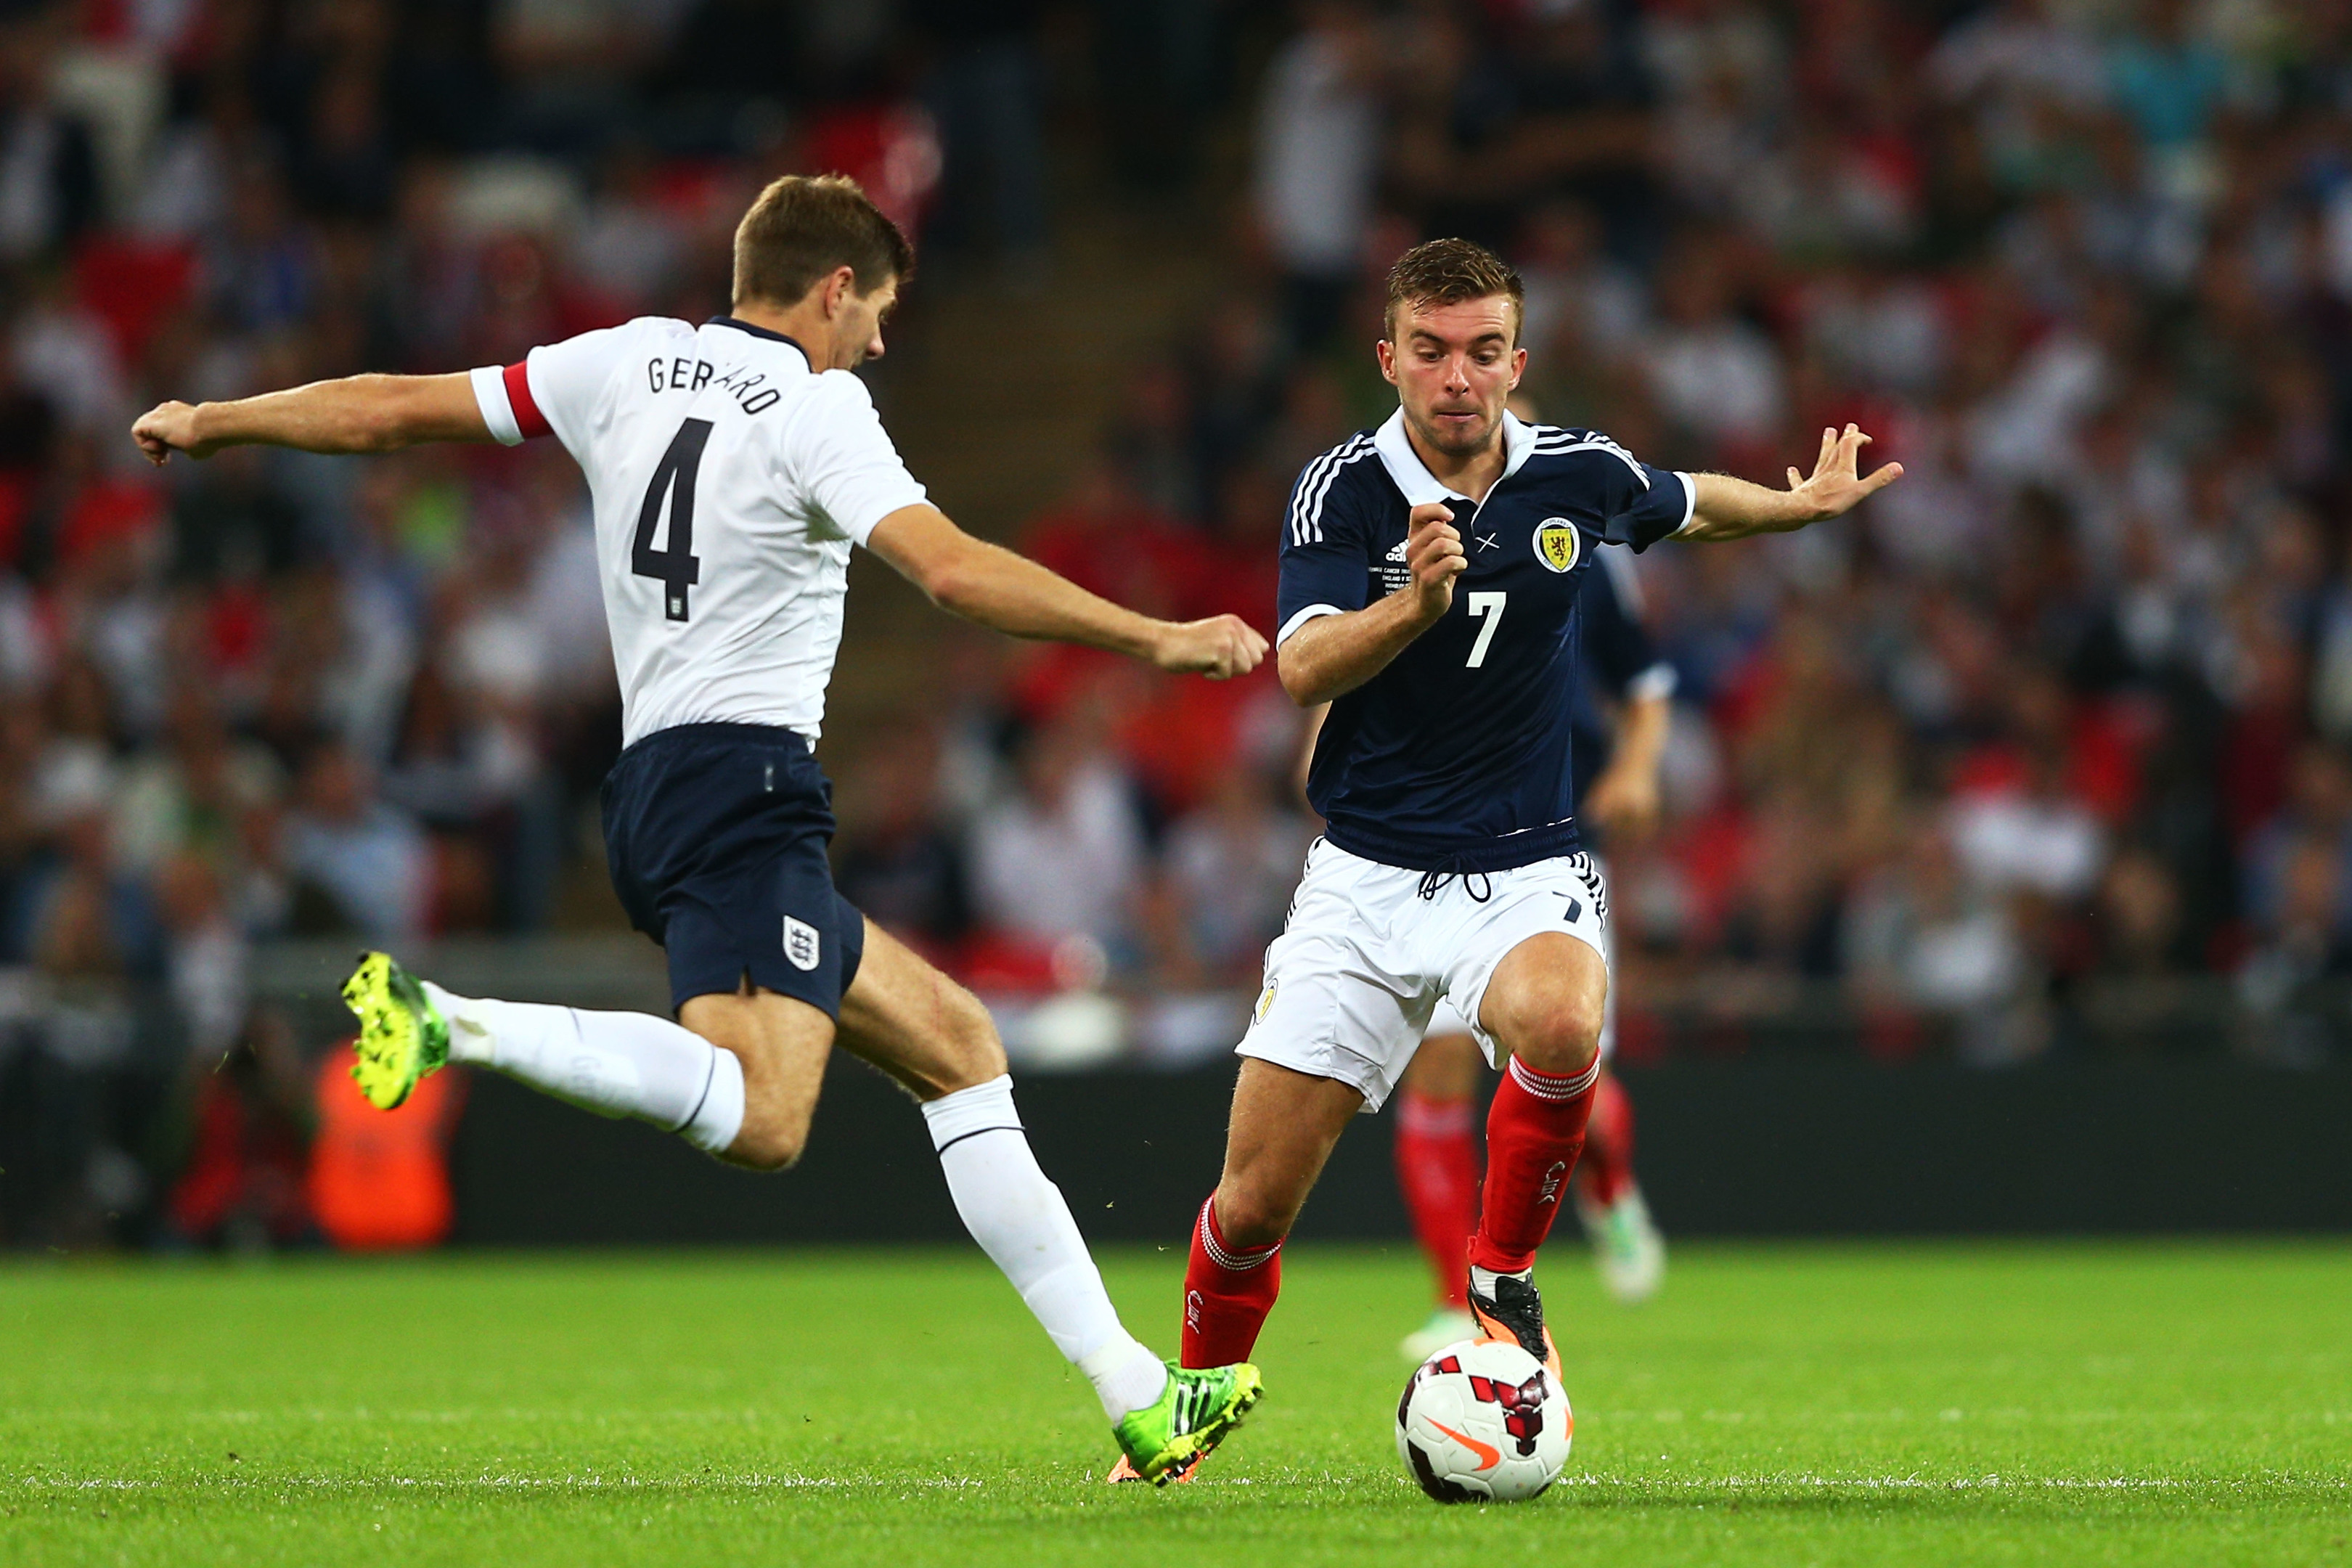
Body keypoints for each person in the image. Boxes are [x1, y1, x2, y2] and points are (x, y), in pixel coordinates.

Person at [130, 173, 1269, 1486]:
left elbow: (392, 408)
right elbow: (950, 570)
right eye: (879, 312)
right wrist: (1153, 633)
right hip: (745, 789)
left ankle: (1140, 1397)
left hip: (656, 785)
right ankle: (455, 1020)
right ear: (835, 289)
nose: (883, 344)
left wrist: (216, 420)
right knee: (768, 1117)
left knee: (957, 1042)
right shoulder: (818, 407)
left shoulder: (621, 361)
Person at [1158, 237, 1898, 1478]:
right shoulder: (1341, 491)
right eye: (1434, 351)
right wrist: (1411, 604)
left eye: (1485, 350)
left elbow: (1685, 500)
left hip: (1526, 865)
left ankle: (1502, 1281)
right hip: (1365, 878)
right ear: (1388, 358)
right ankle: (1197, 1394)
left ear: (1519, 360)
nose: (1460, 377)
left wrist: (1799, 506)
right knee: (1252, 1207)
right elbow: (1297, 668)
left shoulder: (1573, 473)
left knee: (1563, 1016)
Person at [1393, 539, 1672, 1365]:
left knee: (1564, 1063)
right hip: (1421, 849)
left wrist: (1638, 768)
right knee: (1438, 1065)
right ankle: (1458, 1300)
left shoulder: (1578, 537)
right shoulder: (1401, 529)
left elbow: (1644, 678)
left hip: (1547, 846)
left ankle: (1612, 1189)